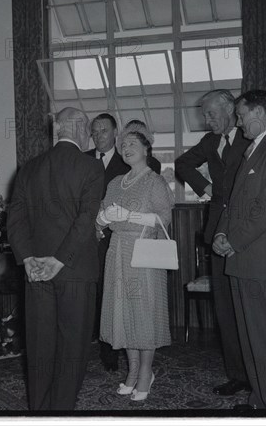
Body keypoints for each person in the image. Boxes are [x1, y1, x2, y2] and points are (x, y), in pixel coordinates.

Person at [175, 89, 266, 397]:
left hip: (256, 238)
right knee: (230, 312)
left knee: (264, 324)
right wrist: (208, 188)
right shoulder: (212, 143)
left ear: (231, 109)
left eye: (212, 113)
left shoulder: (265, 144)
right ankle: (243, 378)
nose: (207, 120)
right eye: (205, 115)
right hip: (223, 232)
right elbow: (182, 164)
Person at [7, 107, 104, 410]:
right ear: (78, 129)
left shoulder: (29, 167)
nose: (90, 135)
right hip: (74, 270)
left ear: (58, 128)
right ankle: (62, 411)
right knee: (72, 347)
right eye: (88, 130)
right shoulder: (91, 167)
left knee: (39, 345)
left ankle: (39, 411)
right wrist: (59, 260)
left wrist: (27, 259)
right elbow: (85, 220)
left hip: (36, 271)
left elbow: (15, 220)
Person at [212, 90, 266, 409]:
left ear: (258, 112)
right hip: (240, 262)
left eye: (240, 114)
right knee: (250, 341)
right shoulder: (252, 151)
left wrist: (233, 241)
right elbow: (233, 204)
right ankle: (260, 401)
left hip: (260, 263)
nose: (237, 121)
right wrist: (221, 233)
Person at [97, 123, 174, 402]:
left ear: (146, 148)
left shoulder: (156, 181)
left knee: (143, 313)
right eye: (123, 145)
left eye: (132, 144)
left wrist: (129, 216)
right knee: (123, 314)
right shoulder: (115, 183)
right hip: (116, 251)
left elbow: (163, 219)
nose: (126, 149)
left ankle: (145, 373)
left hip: (143, 252)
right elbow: (101, 219)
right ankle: (131, 372)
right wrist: (103, 219)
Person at [86, 113, 130, 372]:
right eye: (95, 131)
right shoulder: (81, 160)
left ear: (116, 132)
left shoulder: (127, 161)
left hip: (116, 239)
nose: (99, 135)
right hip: (87, 239)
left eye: (104, 130)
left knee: (112, 295)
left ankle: (111, 352)